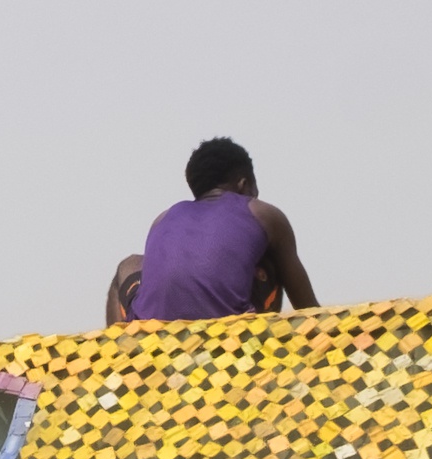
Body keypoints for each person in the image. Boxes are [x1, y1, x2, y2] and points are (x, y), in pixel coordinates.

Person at [107, 138, 318, 324]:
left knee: (130, 264)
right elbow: (307, 307)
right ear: (243, 184)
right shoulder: (263, 214)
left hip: (152, 335)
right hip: (232, 331)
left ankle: (118, 353)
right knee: (270, 259)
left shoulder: (163, 218)